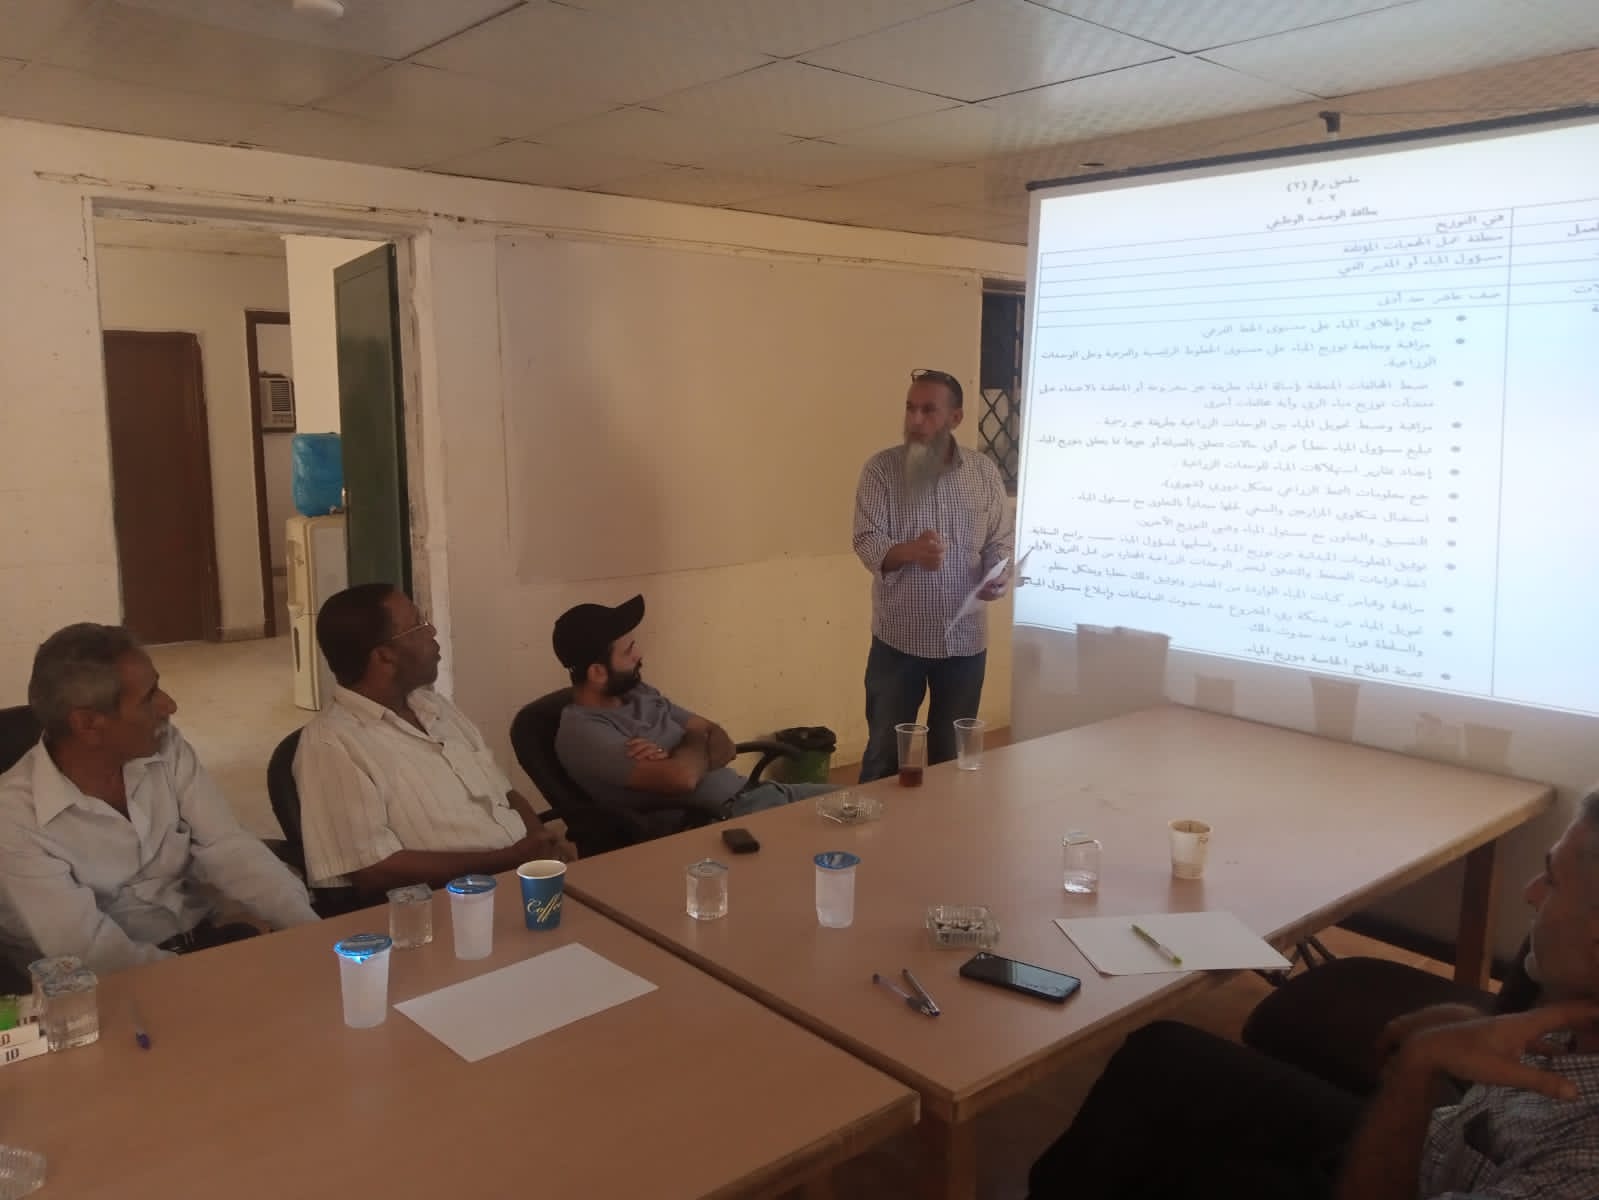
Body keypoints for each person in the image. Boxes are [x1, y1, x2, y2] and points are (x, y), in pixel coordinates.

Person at [1027, 801, 1599, 1199]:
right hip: (1435, 1142)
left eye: (1552, 881)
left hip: (1392, 1178)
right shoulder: (1572, 1007)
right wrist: (1468, 1027)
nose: (1531, 893)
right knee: (1161, 1056)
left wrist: (1419, 1067)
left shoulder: (1579, 1167)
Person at [0, 623, 318, 975]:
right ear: (88, 724)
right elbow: (95, 955)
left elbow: (227, 845)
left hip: (199, 941)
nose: (170, 705)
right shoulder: (16, 819)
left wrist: (310, 930)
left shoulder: (164, 746)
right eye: (149, 697)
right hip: (102, 988)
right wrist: (213, 978)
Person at [295, 584, 573, 896]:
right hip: (454, 903)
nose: (432, 631)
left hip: (526, 880)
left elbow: (504, 792)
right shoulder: (330, 743)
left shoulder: (434, 707)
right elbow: (371, 869)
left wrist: (541, 846)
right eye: (418, 625)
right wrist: (508, 859)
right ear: (384, 656)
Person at [552, 595, 835, 837]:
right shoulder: (583, 733)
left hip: (760, 793)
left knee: (856, 803)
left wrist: (681, 751)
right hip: (724, 822)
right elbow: (683, 779)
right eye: (628, 651)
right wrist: (692, 747)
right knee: (839, 840)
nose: (638, 654)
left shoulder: (638, 692)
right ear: (597, 673)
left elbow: (722, 742)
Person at [852, 368, 1012, 782]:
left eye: (928, 410)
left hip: (965, 643)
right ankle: (878, 825)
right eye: (910, 409)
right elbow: (866, 540)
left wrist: (997, 574)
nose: (915, 420)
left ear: (955, 418)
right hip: (899, 641)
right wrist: (911, 552)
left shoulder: (983, 473)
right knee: (885, 756)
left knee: (953, 759)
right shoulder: (881, 471)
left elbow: (1000, 540)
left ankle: (945, 824)